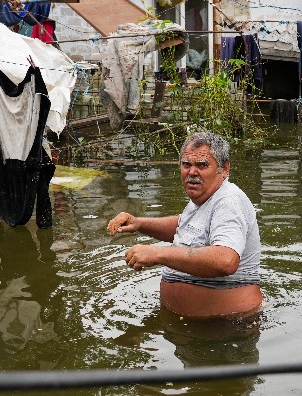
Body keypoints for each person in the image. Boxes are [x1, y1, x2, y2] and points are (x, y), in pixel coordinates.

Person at [106, 131, 262, 317]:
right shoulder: (204, 196)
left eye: (202, 165)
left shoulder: (228, 201)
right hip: (189, 327)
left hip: (226, 327)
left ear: (224, 169)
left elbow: (225, 261)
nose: (192, 172)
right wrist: (139, 223)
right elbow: (187, 226)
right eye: (186, 164)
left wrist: (157, 253)